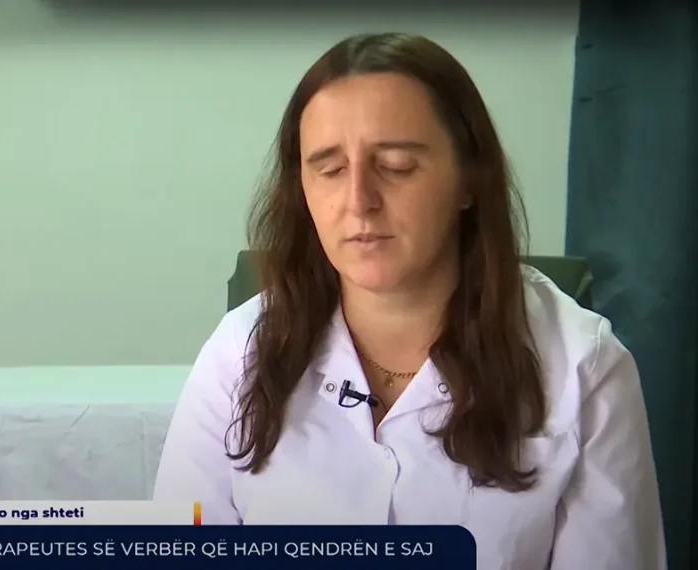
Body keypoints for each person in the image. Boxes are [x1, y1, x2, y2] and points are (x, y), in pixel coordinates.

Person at [153, 33, 666, 570]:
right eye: (329, 170)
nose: (358, 202)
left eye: (396, 166)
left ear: (468, 180)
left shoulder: (586, 367)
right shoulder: (239, 352)